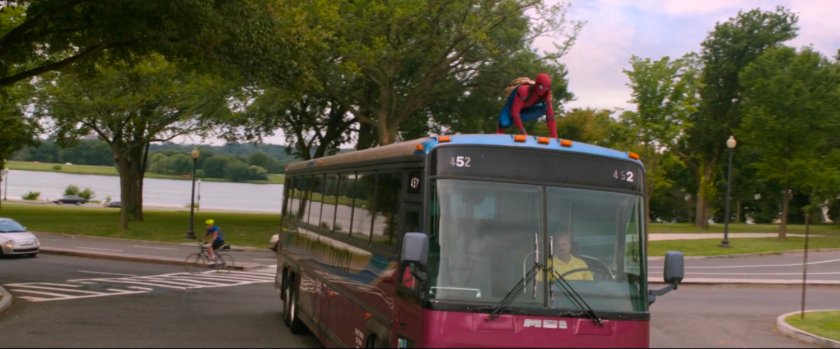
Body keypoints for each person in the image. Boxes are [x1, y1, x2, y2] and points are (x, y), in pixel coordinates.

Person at [496, 72, 558, 138]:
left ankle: (513, 119)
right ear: (537, 84)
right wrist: (523, 132)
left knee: (545, 108)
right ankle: (500, 128)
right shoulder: (523, 91)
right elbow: (515, 112)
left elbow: (550, 116)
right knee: (504, 123)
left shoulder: (546, 96)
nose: (543, 90)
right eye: (541, 87)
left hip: (524, 110)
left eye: (546, 88)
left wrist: (554, 136)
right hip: (510, 109)